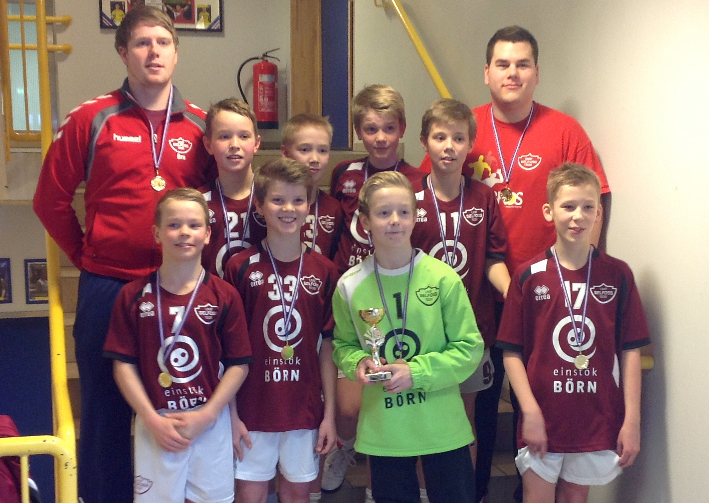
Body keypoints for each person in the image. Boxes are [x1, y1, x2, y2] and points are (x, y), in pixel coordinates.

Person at [419, 26, 612, 502]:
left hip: (546, 298)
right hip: (476, 296)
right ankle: (476, 491)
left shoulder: (565, 131)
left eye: (522, 64)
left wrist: (581, 283)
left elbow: (594, 202)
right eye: (502, 64)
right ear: (486, 72)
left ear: (537, 73)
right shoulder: (464, 127)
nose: (512, 73)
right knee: (479, 405)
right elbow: (428, 199)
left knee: (539, 399)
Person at [32, 6, 215, 502]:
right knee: (105, 412)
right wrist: (87, 256)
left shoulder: (201, 126)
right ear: (123, 53)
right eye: (141, 43)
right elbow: (49, 200)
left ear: (176, 53)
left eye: (163, 42)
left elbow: (219, 204)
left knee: (181, 403)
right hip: (109, 288)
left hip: (179, 289)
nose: (154, 52)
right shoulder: (92, 118)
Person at [496, 163, 649, 502]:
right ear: (549, 211)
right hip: (542, 415)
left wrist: (632, 421)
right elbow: (512, 352)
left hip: (595, 416)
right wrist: (529, 411)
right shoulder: (529, 276)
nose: (578, 216)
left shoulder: (618, 275)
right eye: (568, 206)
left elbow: (630, 350)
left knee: (575, 498)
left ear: (599, 214)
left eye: (588, 207)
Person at [332, 171, 483, 503]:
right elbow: (343, 345)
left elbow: (470, 348)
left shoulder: (443, 277)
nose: (394, 221)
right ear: (365, 221)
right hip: (386, 429)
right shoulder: (349, 285)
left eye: (403, 212)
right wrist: (358, 362)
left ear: (415, 217)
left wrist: (416, 372)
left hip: (442, 427)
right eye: (383, 213)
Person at [103, 188, 252, 502]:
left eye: (194, 225)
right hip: (156, 421)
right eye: (173, 225)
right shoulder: (133, 295)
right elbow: (123, 364)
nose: (184, 232)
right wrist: (150, 418)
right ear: (157, 233)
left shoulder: (225, 295)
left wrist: (208, 415)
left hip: (209, 421)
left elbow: (238, 364)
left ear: (207, 234)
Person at [324, 85, 421, 498]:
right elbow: (333, 233)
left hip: (400, 299)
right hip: (356, 297)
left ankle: (383, 481)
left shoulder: (418, 180)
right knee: (349, 405)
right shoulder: (344, 175)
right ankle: (345, 448)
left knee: (395, 395)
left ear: (402, 129)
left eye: (388, 128)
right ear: (358, 131)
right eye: (370, 129)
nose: (380, 138)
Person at [223, 158, 339, 503]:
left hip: (304, 408)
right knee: (250, 495)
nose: (288, 209)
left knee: (298, 493)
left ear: (309, 205)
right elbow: (229, 350)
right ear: (259, 206)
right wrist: (230, 415)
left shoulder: (324, 270)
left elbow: (327, 347)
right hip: (251, 408)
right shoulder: (239, 267)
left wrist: (329, 415)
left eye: (298, 200)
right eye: (277, 200)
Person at [411, 99, 510, 467]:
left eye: (458, 138)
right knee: (420, 417)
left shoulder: (484, 197)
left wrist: (510, 291)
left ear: (470, 145)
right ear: (424, 141)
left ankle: (462, 491)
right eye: (440, 137)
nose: (449, 146)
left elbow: (493, 259)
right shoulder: (408, 196)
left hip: (471, 329)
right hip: (421, 329)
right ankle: (424, 491)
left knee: (464, 420)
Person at [200, 98, 266, 278]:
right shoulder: (197, 203)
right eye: (224, 136)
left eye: (244, 136)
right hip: (211, 294)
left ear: (257, 143)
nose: (234, 145)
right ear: (208, 145)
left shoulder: (274, 198)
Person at [281, 113, 343, 261]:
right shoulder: (273, 205)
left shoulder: (334, 209)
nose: (314, 159)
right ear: (285, 153)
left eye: (322, 151)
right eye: (304, 150)